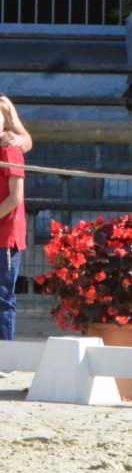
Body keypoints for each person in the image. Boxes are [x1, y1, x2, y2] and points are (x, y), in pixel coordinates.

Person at [0, 98, 28, 341]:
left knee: (2, 298)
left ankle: (4, 356)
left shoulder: (9, 148)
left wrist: (14, 121)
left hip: (4, 237)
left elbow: (14, 197)